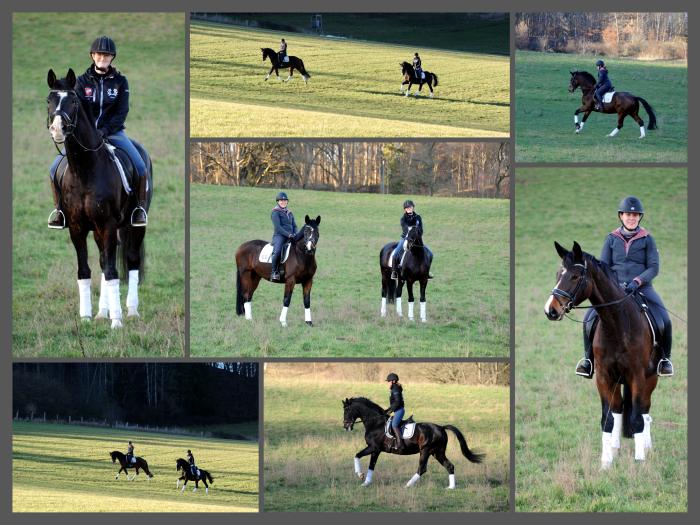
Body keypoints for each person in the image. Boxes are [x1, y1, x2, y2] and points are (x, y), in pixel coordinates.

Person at [48, 36, 148, 229]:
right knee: (54, 169)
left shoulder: (121, 82)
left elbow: (122, 112)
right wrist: (89, 132)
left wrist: (105, 130)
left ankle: (138, 209)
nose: (103, 57)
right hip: (86, 136)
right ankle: (60, 212)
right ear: (93, 56)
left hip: (114, 133)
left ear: (112, 57)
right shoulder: (81, 82)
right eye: (99, 54)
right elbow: (75, 110)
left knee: (140, 166)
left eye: (107, 54)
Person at [576, 196, 673, 378]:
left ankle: (665, 360)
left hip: (642, 288)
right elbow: (603, 266)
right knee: (589, 318)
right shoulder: (611, 239)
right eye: (628, 214)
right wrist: (614, 283)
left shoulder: (647, 239)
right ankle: (588, 360)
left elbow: (654, 267)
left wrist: (637, 281)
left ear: (639, 217)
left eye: (635, 215)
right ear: (621, 216)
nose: (631, 217)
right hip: (614, 289)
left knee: (664, 318)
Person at [390, 200, 433, 280]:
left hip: (417, 239)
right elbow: (405, 229)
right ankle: (394, 272)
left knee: (430, 253)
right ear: (405, 209)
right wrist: (410, 235)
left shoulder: (418, 217)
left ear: (413, 207)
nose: (409, 209)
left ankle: (427, 272)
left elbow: (421, 228)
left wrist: (418, 235)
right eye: (407, 208)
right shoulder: (403, 218)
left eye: (410, 207)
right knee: (395, 254)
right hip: (406, 238)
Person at [270, 191, 304, 282]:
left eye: (285, 200)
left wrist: (296, 234)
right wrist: (288, 234)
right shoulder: (275, 212)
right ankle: (274, 272)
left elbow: (294, 225)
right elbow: (278, 227)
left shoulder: (289, 212)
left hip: (291, 236)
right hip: (279, 236)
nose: (283, 202)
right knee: (277, 251)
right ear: (278, 201)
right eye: (281, 200)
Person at [384, 373, 405, 451]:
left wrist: (390, 410)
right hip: (397, 410)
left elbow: (397, 402)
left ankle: (400, 444)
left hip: (399, 410)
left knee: (394, 425)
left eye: (389, 381)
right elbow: (394, 403)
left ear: (393, 381)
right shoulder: (395, 388)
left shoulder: (395, 389)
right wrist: (388, 409)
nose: (388, 383)